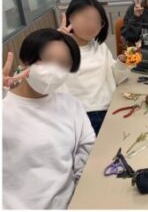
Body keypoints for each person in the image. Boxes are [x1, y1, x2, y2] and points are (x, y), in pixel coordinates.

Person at [3, 29, 95, 209]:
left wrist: (82, 193)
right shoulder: (5, 109)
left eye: (63, 64)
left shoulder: (71, 105)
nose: (53, 70)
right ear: (24, 61)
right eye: (46, 60)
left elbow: (87, 149)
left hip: (70, 203)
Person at [57, 0, 128, 135]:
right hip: (80, 115)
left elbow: (117, 78)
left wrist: (122, 62)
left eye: (98, 21)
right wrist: (54, 43)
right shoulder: (59, 50)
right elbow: (42, 79)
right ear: (70, 17)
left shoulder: (100, 47)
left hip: (110, 109)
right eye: (86, 18)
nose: (92, 24)